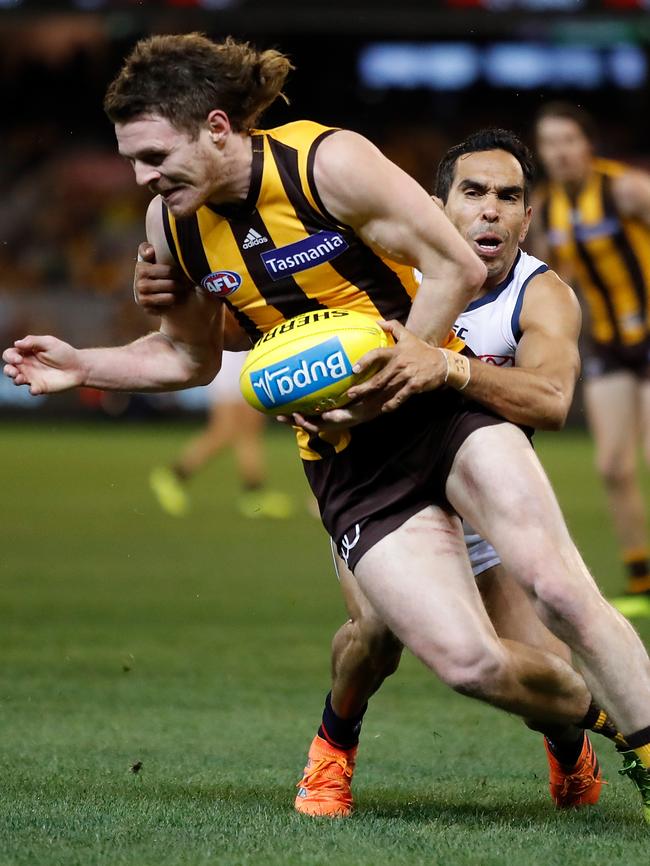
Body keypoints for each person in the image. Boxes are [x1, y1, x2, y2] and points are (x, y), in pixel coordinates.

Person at [5, 34, 650, 824]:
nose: (141, 178)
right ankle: (593, 724)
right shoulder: (172, 223)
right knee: (464, 661)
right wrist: (83, 365)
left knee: (559, 590)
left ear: (214, 127)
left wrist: (414, 358)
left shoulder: (327, 163)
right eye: (131, 160)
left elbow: (455, 266)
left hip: (441, 410)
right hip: (348, 464)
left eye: (152, 155)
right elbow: (189, 357)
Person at [291, 129, 635, 818]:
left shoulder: (542, 295)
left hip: (483, 509)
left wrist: (447, 366)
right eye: (472, 193)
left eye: (509, 197)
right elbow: (280, 310)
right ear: (433, 206)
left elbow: (551, 400)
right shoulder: (387, 275)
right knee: (375, 635)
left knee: (550, 683)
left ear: (527, 217)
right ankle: (333, 750)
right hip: (383, 495)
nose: (491, 211)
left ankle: (570, 746)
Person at [532, 102, 650, 618]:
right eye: (549, 142)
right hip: (605, 343)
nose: (559, 152)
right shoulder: (545, 207)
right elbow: (550, 282)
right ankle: (641, 577)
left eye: (568, 140)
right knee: (612, 466)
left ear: (588, 144)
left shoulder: (626, 188)